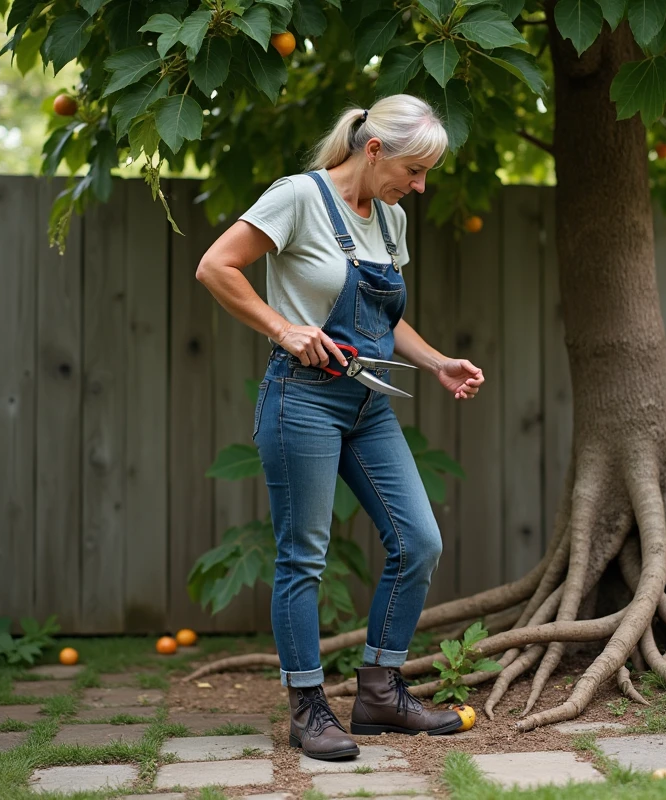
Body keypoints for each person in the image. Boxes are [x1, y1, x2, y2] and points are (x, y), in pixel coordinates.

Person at [195, 94, 485, 761]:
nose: (418, 186)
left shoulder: (391, 220)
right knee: (305, 554)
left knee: (418, 540)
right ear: (374, 149)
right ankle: (307, 708)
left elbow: (384, 319)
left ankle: (381, 692)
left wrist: (438, 361)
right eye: (413, 170)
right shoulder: (297, 197)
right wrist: (283, 327)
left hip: (367, 405)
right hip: (302, 399)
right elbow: (217, 266)